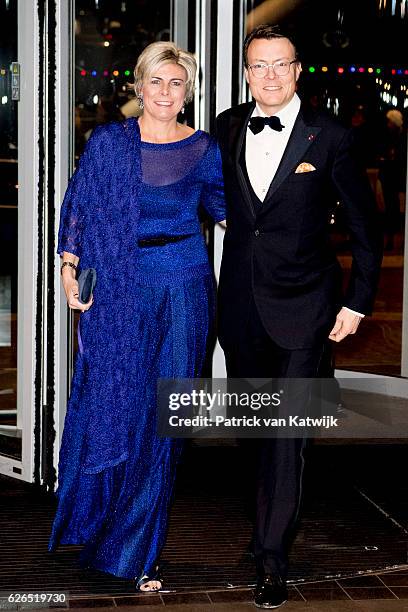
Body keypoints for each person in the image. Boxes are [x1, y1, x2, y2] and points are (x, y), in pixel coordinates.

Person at [216, 25, 382, 609]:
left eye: (279, 65)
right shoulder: (228, 126)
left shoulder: (330, 137)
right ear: (246, 73)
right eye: (257, 66)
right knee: (252, 433)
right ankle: (267, 524)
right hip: (239, 308)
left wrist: (357, 302)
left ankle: (272, 558)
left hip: (307, 309)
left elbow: (365, 226)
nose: (268, 76)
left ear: (297, 69)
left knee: (287, 433)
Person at [49, 41, 225, 592]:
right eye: (157, 82)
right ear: (139, 86)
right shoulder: (108, 145)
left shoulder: (204, 149)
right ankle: (103, 527)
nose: (167, 93)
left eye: (177, 84)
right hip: (121, 291)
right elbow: (80, 205)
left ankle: (137, 551)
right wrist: (69, 266)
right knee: (117, 409)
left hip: (184, 289)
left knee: (162, 423)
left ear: (187, 91)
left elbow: (233, 213)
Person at [378, 109, 406, 251]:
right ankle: (392, 239)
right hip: (390, 177)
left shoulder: (399, 138)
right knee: (391, 208)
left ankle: (394, 239)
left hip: (395, 178)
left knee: (394, 209)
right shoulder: (391, 137)